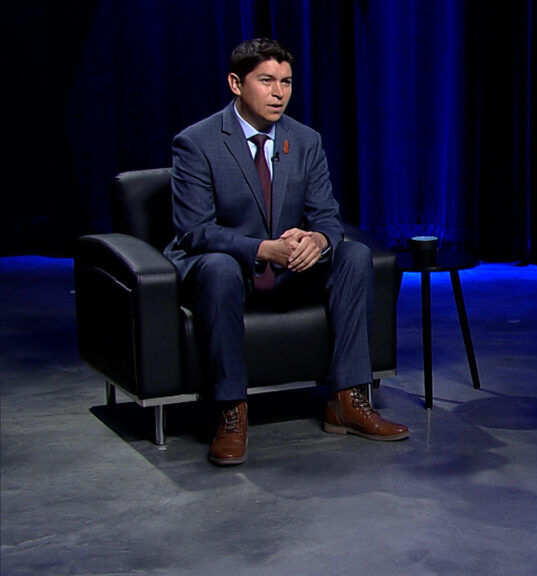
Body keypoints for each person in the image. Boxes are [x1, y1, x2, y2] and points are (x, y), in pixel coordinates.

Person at [165, 38, 409, 466]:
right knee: (219, 268)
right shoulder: (197, 142)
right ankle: (230, 411)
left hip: (289, 266)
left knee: (353, 255)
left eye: (286, 82)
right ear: (236, 84)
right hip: (230, 266)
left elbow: (329, 216)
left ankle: (347, 400)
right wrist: (264, 248)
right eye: (266, 81)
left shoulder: (306, 140)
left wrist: (317, 241)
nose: (279, 93)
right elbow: (194, 232)